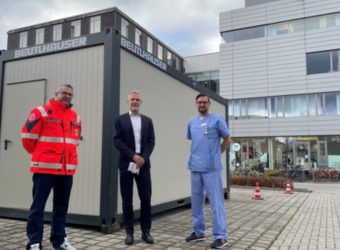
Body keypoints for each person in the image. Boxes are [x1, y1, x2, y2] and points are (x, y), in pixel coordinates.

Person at [21, 84, 81, 250]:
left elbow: (74, 141)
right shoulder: (41, 112)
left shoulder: (75, 117)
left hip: (66, 170)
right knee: (37, 208)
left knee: (61, 208)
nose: (67, 96)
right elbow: (27, 137)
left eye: (70, 94)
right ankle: (34, 242)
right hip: (44, 169)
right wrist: (41, 154)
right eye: (64, 92)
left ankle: (59, 241)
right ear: (56, 94)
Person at [186, 93, 231, 249]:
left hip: (211, 168)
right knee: (196, 202)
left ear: (209, 103)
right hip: (195, 167)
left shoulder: (217, 119)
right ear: (196, 104)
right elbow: (195, 141)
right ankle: (198, 232)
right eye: (199, 102)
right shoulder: (191, 121)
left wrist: (217, 153)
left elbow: (227, 138)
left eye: (204, 102)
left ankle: (221, 236)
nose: (202, 104)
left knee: (216, 203)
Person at [114, 90, 155, 245]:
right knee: (127, 200)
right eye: (132, 99)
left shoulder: (148, 121)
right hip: (126, 163)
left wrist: (142, 157)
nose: (135, 101)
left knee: (145, 199)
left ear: (141, 102)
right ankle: (129, 233)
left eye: (138, 99)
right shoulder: (120, 120)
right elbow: (117, 141)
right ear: (128, 101)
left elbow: (151, 141)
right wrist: (133, 156)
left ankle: (146, 232)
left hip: (143, 164)